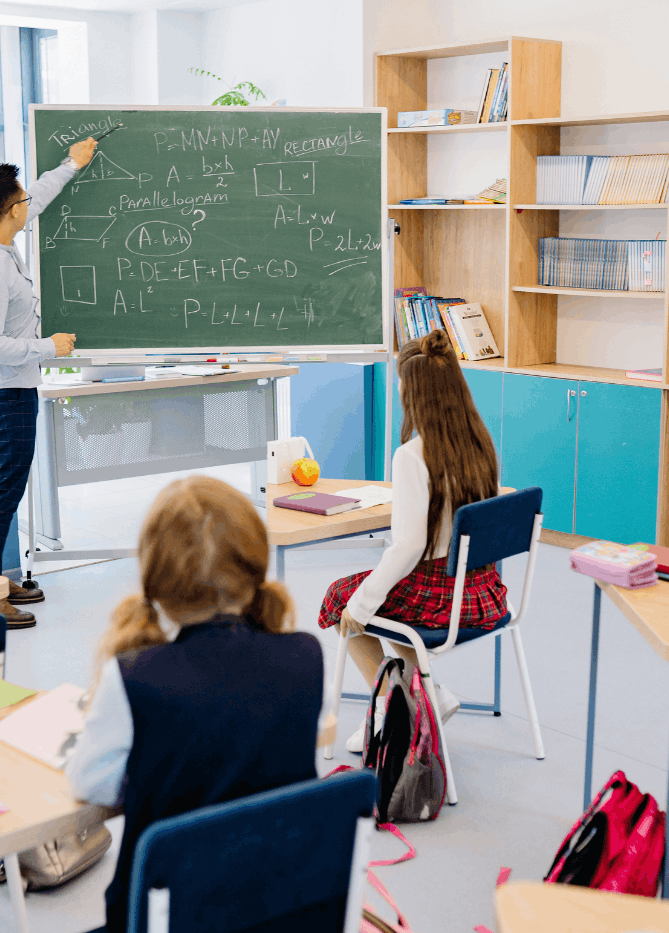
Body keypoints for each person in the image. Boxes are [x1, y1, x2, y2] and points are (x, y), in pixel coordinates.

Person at [64, 476, 323, 933]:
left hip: (167, 919)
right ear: (255, 566)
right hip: (281, 912)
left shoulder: (133, 676)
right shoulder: (306, 655)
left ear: (156, 581)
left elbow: (91, 783)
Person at [318, 328, 508, 753]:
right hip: (481, 590)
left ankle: (394, 707)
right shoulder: (480, 443)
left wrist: (359, 606)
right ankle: (430, 693)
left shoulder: (411, 456)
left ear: (413, 393)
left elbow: (407, 547)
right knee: (390, 596)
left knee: (342, 599)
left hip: (440, 599)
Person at [0, 135, 96, 629]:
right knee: (2, 492)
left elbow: (37, 196)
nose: (27, 204)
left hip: (2, 388)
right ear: (9, 211)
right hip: (4, 392)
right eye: (22, 200)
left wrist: (71, 165)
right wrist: (48, 347)